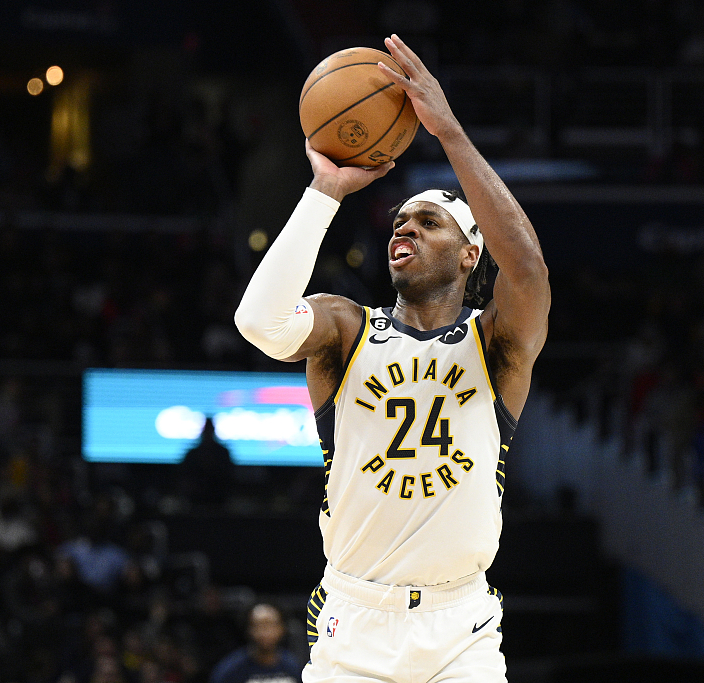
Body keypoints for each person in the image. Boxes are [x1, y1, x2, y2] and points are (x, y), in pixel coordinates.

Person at [234, 34, 549, 683]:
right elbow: (257, 322)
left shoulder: (496, 346)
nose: (405, 227)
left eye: (429, 222)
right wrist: (325, 187)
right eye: (401, 219)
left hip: (459, 626)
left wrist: (450, 134)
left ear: (469, 255)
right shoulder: (346, 329)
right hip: (356, 618)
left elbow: (528, 268)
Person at [208, 603, 303, 683]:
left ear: (282, 628)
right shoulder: (230, 670)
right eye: (259, 625)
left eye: (270, 624)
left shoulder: (294, 666)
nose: (265, 632)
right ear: (248, 629)